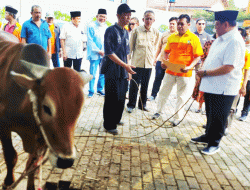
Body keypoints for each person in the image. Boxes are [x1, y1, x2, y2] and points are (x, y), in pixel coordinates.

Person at [191, 10, 245, 155]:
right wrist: (204, 70)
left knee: (219, 117)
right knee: (210, 115)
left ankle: (214, 143)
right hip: (211, 86)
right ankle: (208, 136)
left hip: (223, 88)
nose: (215, 29)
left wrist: (206, 73)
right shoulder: (221, 38)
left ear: (226, 24)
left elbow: (229, 67)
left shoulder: (234, 40)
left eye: (217, 25)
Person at [152, 14, 203, 126]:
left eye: (182, 24)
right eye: (178, 24)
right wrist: (165, 61)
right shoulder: (172, 37)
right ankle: (158, 112)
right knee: (163, 92)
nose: (179, 26)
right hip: (170, 71)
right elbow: (166, 51)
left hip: (185, 73)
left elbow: (198, 56)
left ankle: (177, 118)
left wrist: (190, 67)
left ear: (189, 25)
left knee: (181, 96)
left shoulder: (194, 38)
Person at [102, 3, 136, 135]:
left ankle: (116, 119)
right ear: (118, 15)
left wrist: (128, 69)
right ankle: (109, 125)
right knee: (112, 97)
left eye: (129, 15)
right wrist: (125, 65)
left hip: (123, 69)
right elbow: (109, 53)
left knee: (121, 96)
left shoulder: (126, 32)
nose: (128, 18)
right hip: (111, 69)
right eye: (125, 15)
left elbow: (127, 53)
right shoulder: (110, 30)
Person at [126, 10, 160, 113]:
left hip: (148, 65)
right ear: (143, 19)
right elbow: (130, 49)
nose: (148, 20)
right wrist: (128, 64)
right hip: (136, 64)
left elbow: (155, 47)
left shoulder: (156, 32)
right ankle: (131, 105)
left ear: (154, 20)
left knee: (145, 86)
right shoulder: (136, 31)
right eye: (147, 18)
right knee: (134, 85)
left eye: (151, 19)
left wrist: (153, 59)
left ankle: (142, 105)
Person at [148, 17, 178, 101]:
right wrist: (155, 58)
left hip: (171, 63)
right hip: (161, 60)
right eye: (170, 23)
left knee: (168, 81)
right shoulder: (164, 34)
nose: (171, 25)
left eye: (173, 24)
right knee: (157, 78)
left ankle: (164, 97)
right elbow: (159, 47)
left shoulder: (178, 35)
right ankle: (153, 95)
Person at [87, 8, 107, 98]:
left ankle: (100, 89)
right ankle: (91, 90)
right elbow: (90, 41)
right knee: (93, 73)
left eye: (104, 17)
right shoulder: (91, 26)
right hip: (94, 54)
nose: (102, 18)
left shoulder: (106, 27)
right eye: (101, 16)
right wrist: (99, 51)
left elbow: (107, 41)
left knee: (102, 73)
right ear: (97, 16)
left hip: (104, 55)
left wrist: (105, 51)